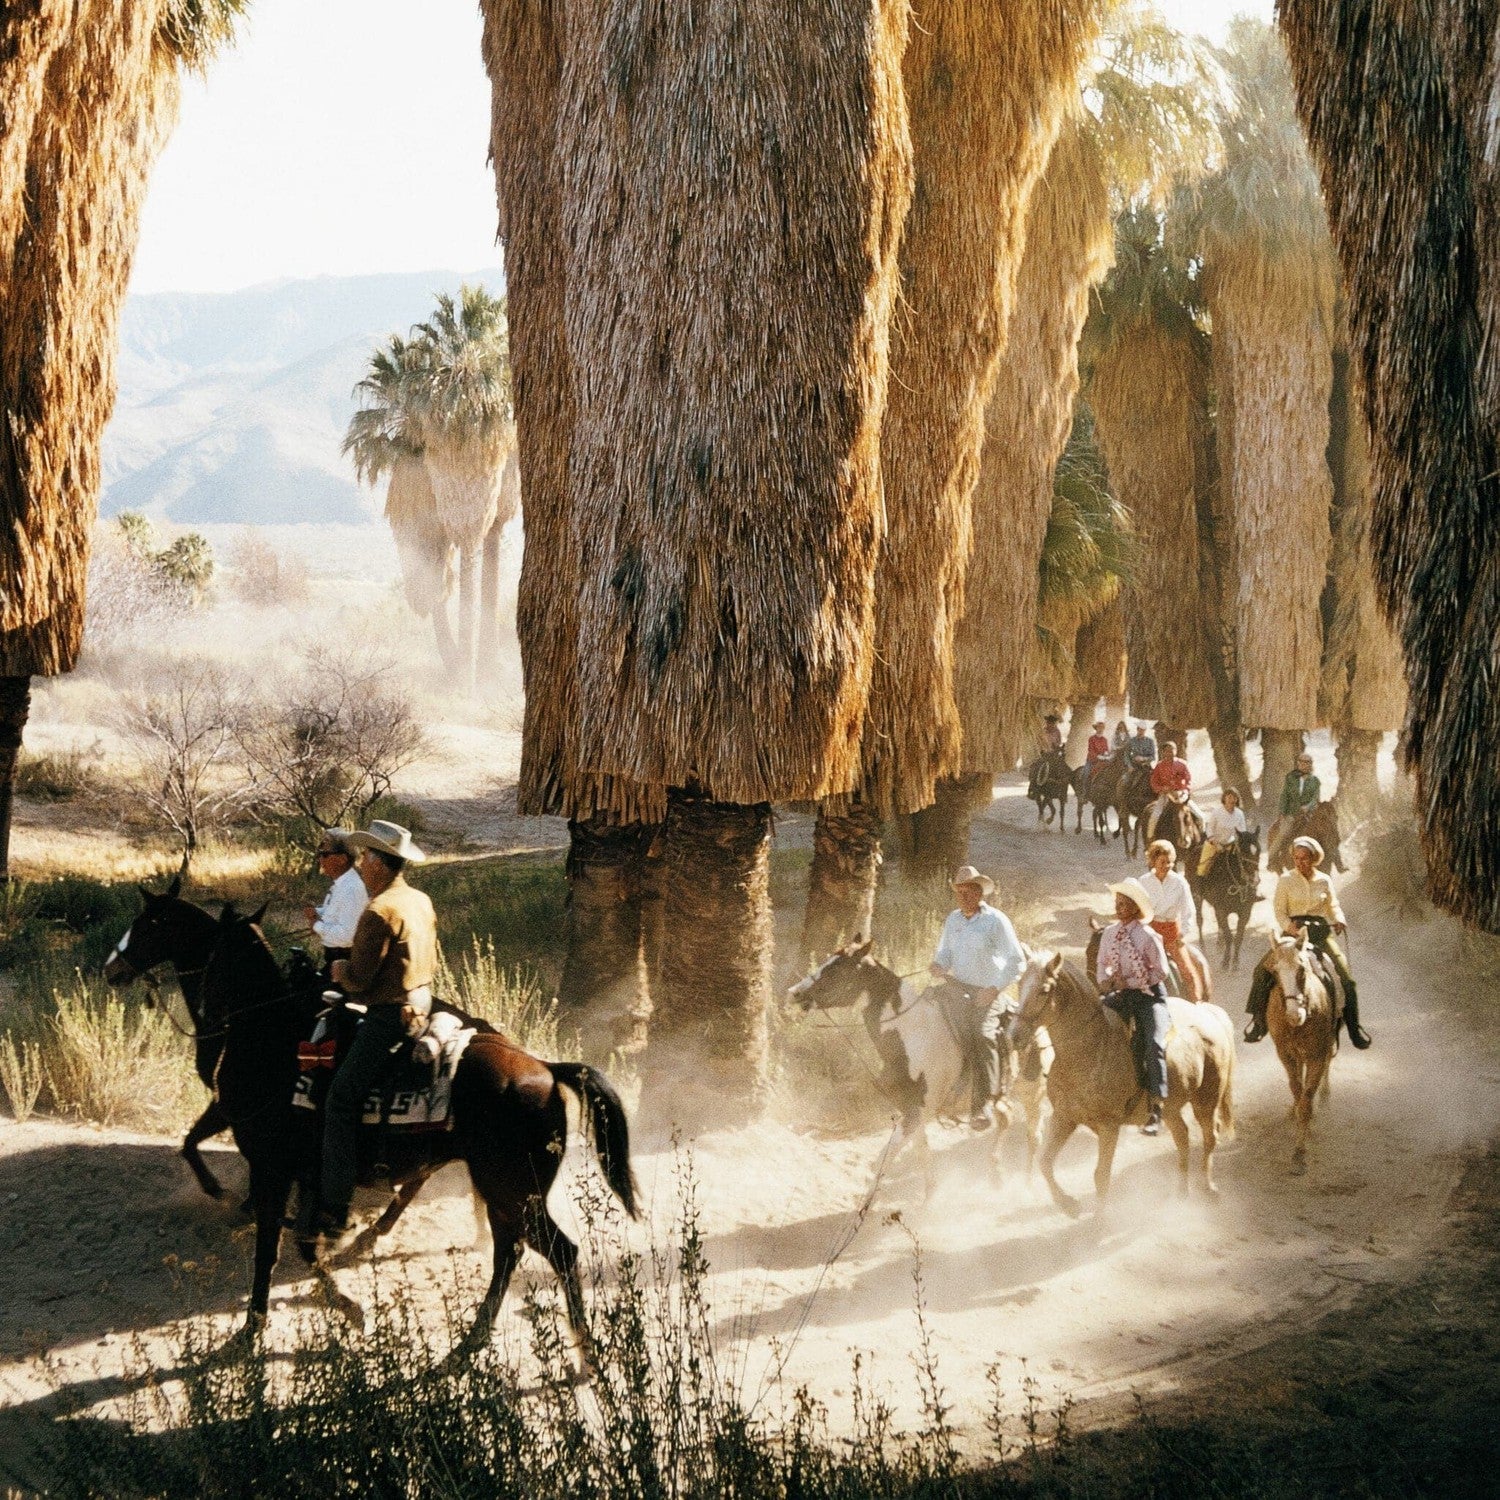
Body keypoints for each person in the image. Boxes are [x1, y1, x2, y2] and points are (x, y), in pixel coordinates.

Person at [315, 820, 437, 1246]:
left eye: (366, 856)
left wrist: (339, 969)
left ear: (381, 864)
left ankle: (334, 1207)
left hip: (389, 1016)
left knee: (340, 1099)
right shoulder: (418, 900)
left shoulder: (378, 911)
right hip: (423, 1004)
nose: (361, 863)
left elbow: (361, 979)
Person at [1243, 835, 1370, 1049]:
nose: (1300, 862)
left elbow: (1333, 905)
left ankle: (1354, 1027)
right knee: (1261, 971)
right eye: (1296, 858)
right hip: (1293, 933)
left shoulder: (1324, 880)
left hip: (1319, 932)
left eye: (1305, 858)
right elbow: (1279, 911)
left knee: (1346, 979)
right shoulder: (1286, 880)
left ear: (1314, 858)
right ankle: (1259, 1022)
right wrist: (1289, 927)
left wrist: (1339, 919)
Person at [929, 865, 1026, 1130]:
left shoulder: (996, 920)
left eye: (968, 891)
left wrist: (994, 989)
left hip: (988, 992)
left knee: (983, 1036)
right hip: (957, 988)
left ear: (979, 892)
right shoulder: (953, 920)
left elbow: (1016, 961)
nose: (962, 897)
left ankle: (983, 1103)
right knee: (929, 1022)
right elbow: (945, 953)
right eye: (959, 892)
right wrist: (938, 965)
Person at [1095, 877, 1171, 1135]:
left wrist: (1131, 980)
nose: (1119, 908)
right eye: (1117, 903)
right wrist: (1105, 982)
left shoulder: (1148, 936)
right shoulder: (1108, 934)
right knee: (1094, 1028)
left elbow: (1161, 971)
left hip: (1149, 995)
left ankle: (1155, 1108)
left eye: (1125, 904)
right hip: (1122, 995)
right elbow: (1101, 965)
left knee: (1153, 1043)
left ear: (1136, 907)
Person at [1141, 840, 1207, 1002]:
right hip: (1149, 932)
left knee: (1187, 971)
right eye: (1163, 862)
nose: (1167, 865)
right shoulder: (1143, 881)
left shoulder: (1179, 882)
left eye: (1170, 861)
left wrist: (1182, 934)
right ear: (1153, 861)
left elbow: (1188, 911)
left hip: (1171, 932)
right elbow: (1138, 910)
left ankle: (1195, 1002)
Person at [303, 828, 367, 976]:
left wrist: (317, 925)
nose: (320, 860)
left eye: (325, 855)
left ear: (342, 859)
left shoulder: (351, 888)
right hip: (333, 961)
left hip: (344, 966)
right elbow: (336, 913)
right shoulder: (341, 884)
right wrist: (317, 913)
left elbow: (346, 936)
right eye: (320, 854)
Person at [1144, 739, 1194, 842]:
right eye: (1166, 751)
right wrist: (1162, 789)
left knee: (1200, 816)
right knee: (1154, 816)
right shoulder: (1159, 766)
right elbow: (1154, 782)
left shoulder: (1182, 764)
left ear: (1175, 751)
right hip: (1166, 795)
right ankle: (1150, 838)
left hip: (1181, 795)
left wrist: (1185, 790)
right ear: (1163, 752)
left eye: (1171, 750)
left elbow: (1189, 779)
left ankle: (1200, 839)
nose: (1169, 753)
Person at [1197, 788, 1247, 879]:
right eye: (1229, 797)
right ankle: (1200, 886)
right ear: (1224, 798)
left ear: (1237, 799)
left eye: (1234, 797)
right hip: (1214, 844)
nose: (1232, 800)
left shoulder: (1239, 814)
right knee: (1203, 867)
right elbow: (1209, 829)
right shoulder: (1216, 812)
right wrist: (1215, 843)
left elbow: (1242, 831)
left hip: (1231, 845)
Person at [1279, 752, 1321, 818]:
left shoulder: (1315, 781)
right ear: (1298, 763)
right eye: (1301, 762)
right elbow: (1285, 795)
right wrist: (1282, 812)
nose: (1303, 765)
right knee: (1285, 827)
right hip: (1291, 814)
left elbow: (1315, 798)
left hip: (1308, 814)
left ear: (1310, 764)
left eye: (1306, 763)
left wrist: (1307, 807)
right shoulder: (1290, 777)